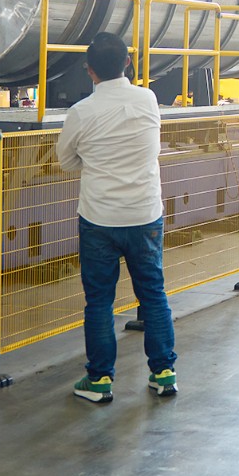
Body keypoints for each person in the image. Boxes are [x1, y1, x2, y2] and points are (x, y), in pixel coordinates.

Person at [57, 32, 178, 403]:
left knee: (99, 302)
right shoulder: (148, 99)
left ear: (89, 70)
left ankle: (99, 380)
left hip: (100, 218)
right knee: (153, 294)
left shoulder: (81, 113)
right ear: (127, 62)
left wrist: (95, 160)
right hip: (145, 214)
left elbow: (66, 162)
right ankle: (164, 373)